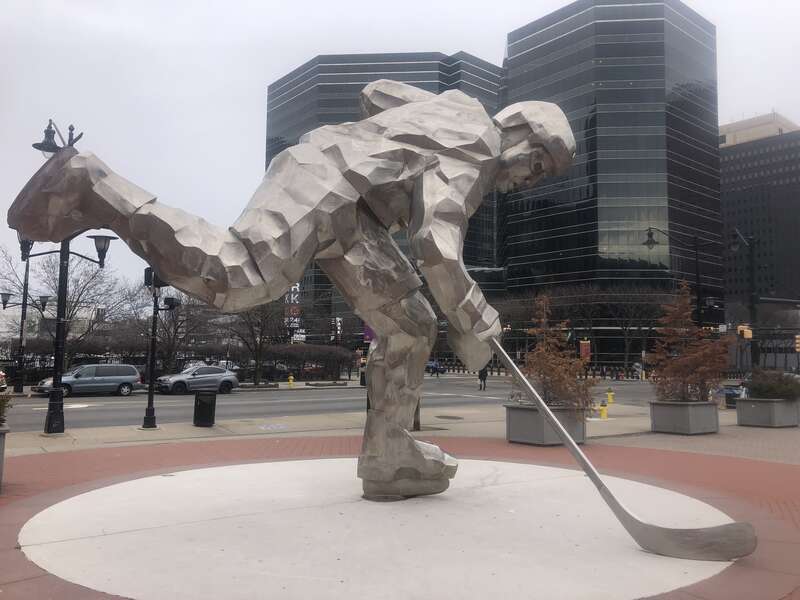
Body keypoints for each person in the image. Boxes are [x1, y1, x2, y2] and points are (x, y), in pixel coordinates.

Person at [9, 79, 574, 498]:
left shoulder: (454, 107)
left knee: (411, 323)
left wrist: (396, 150)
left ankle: (390, 456)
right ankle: (91, 184)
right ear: (521, 131)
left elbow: (376, 94)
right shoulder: (476, 149)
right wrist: (476, 319)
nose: (529, 179)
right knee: (240, 276)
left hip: (355, 213)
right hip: (327, 181)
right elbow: (438, 247)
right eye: (538, 164)